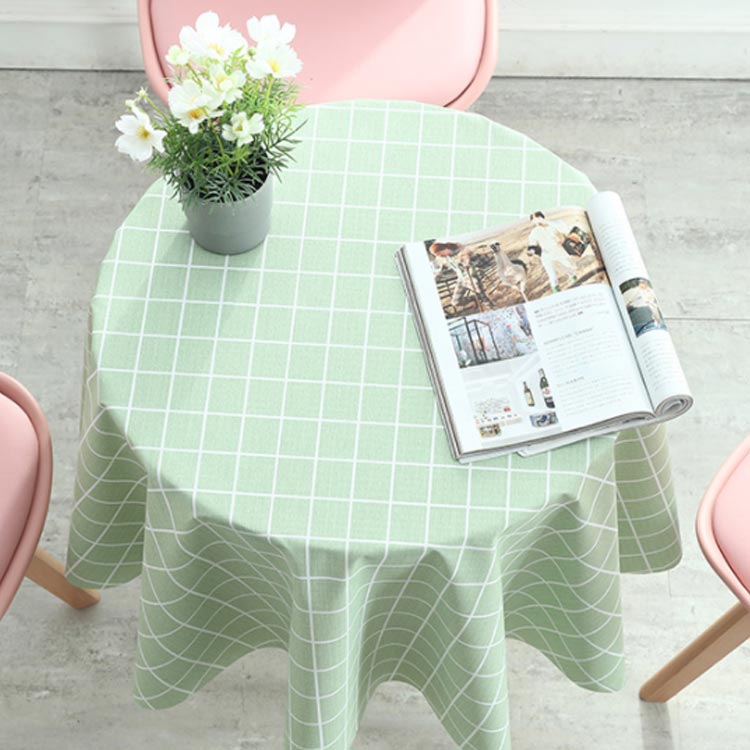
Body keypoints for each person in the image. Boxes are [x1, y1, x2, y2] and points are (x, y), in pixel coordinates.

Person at [526, 211, 579, 292]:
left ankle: (574, 279)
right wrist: (532, 251)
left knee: (567, 267)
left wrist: (546, 222)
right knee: (552, 275)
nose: (536, 221)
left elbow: (565, 230)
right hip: (546, 255)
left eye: (538, 218)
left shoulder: (553, 225)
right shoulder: (534, 232)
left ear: (542, 217)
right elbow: (532, 244)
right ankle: (556, 290)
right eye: (534, 219)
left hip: (559, 251)